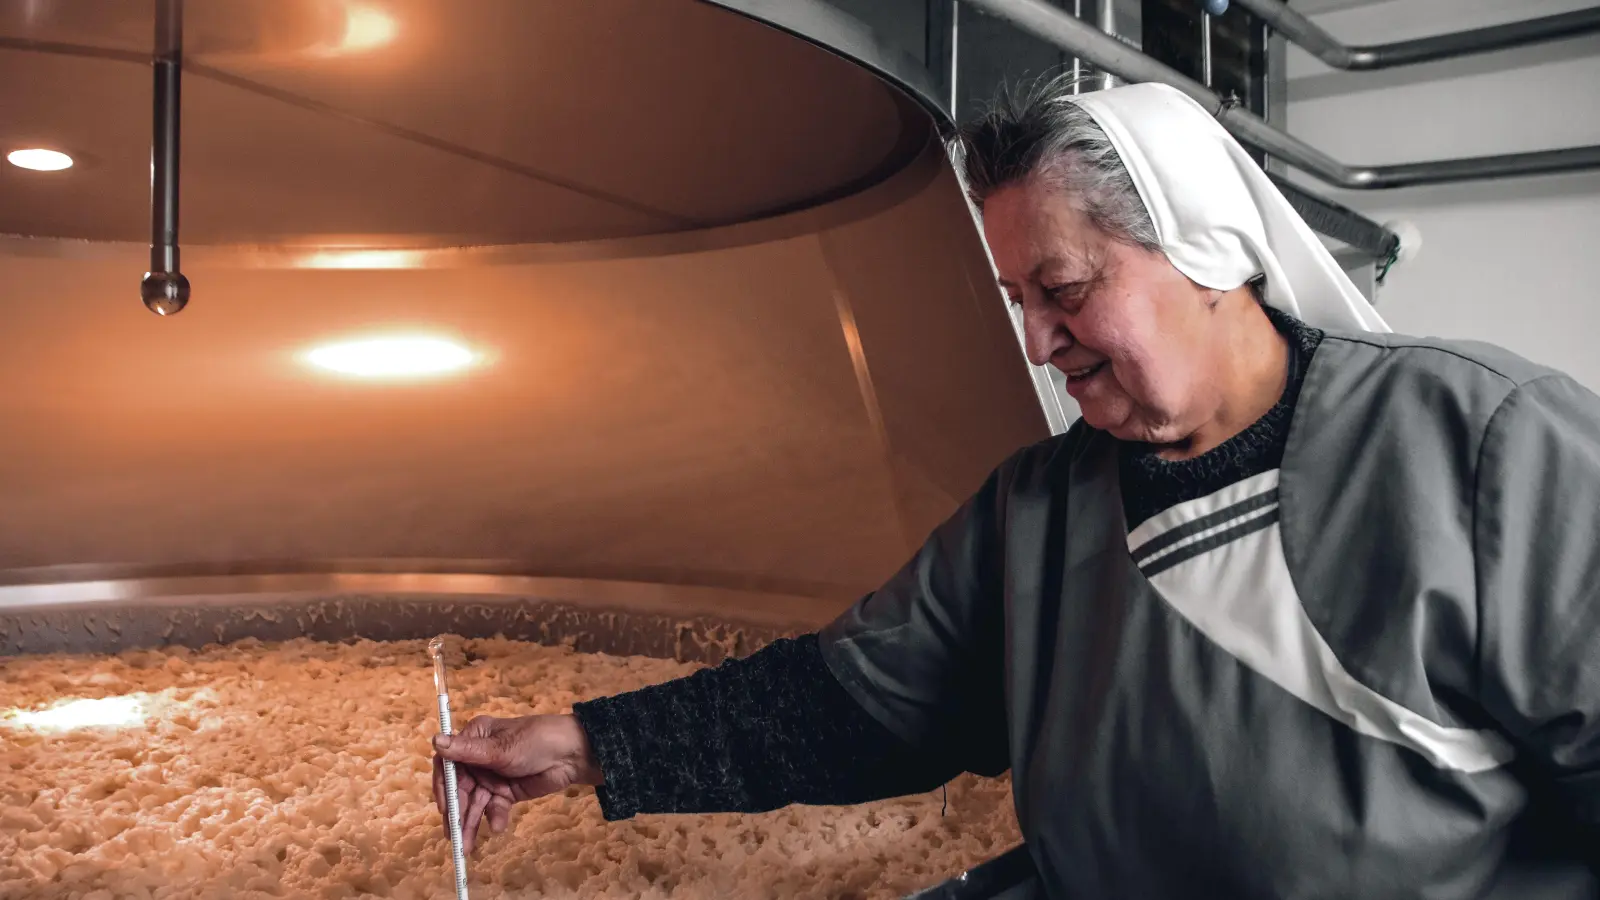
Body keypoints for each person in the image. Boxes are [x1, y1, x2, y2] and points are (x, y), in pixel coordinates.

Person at [431, 77, 1600, 898]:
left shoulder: (1482, 440)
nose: (1039, 344)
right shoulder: (1035, 509)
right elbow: (855, 702)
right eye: (1017, 305)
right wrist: (585, 745)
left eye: (1066, 289)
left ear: (1205, 252)